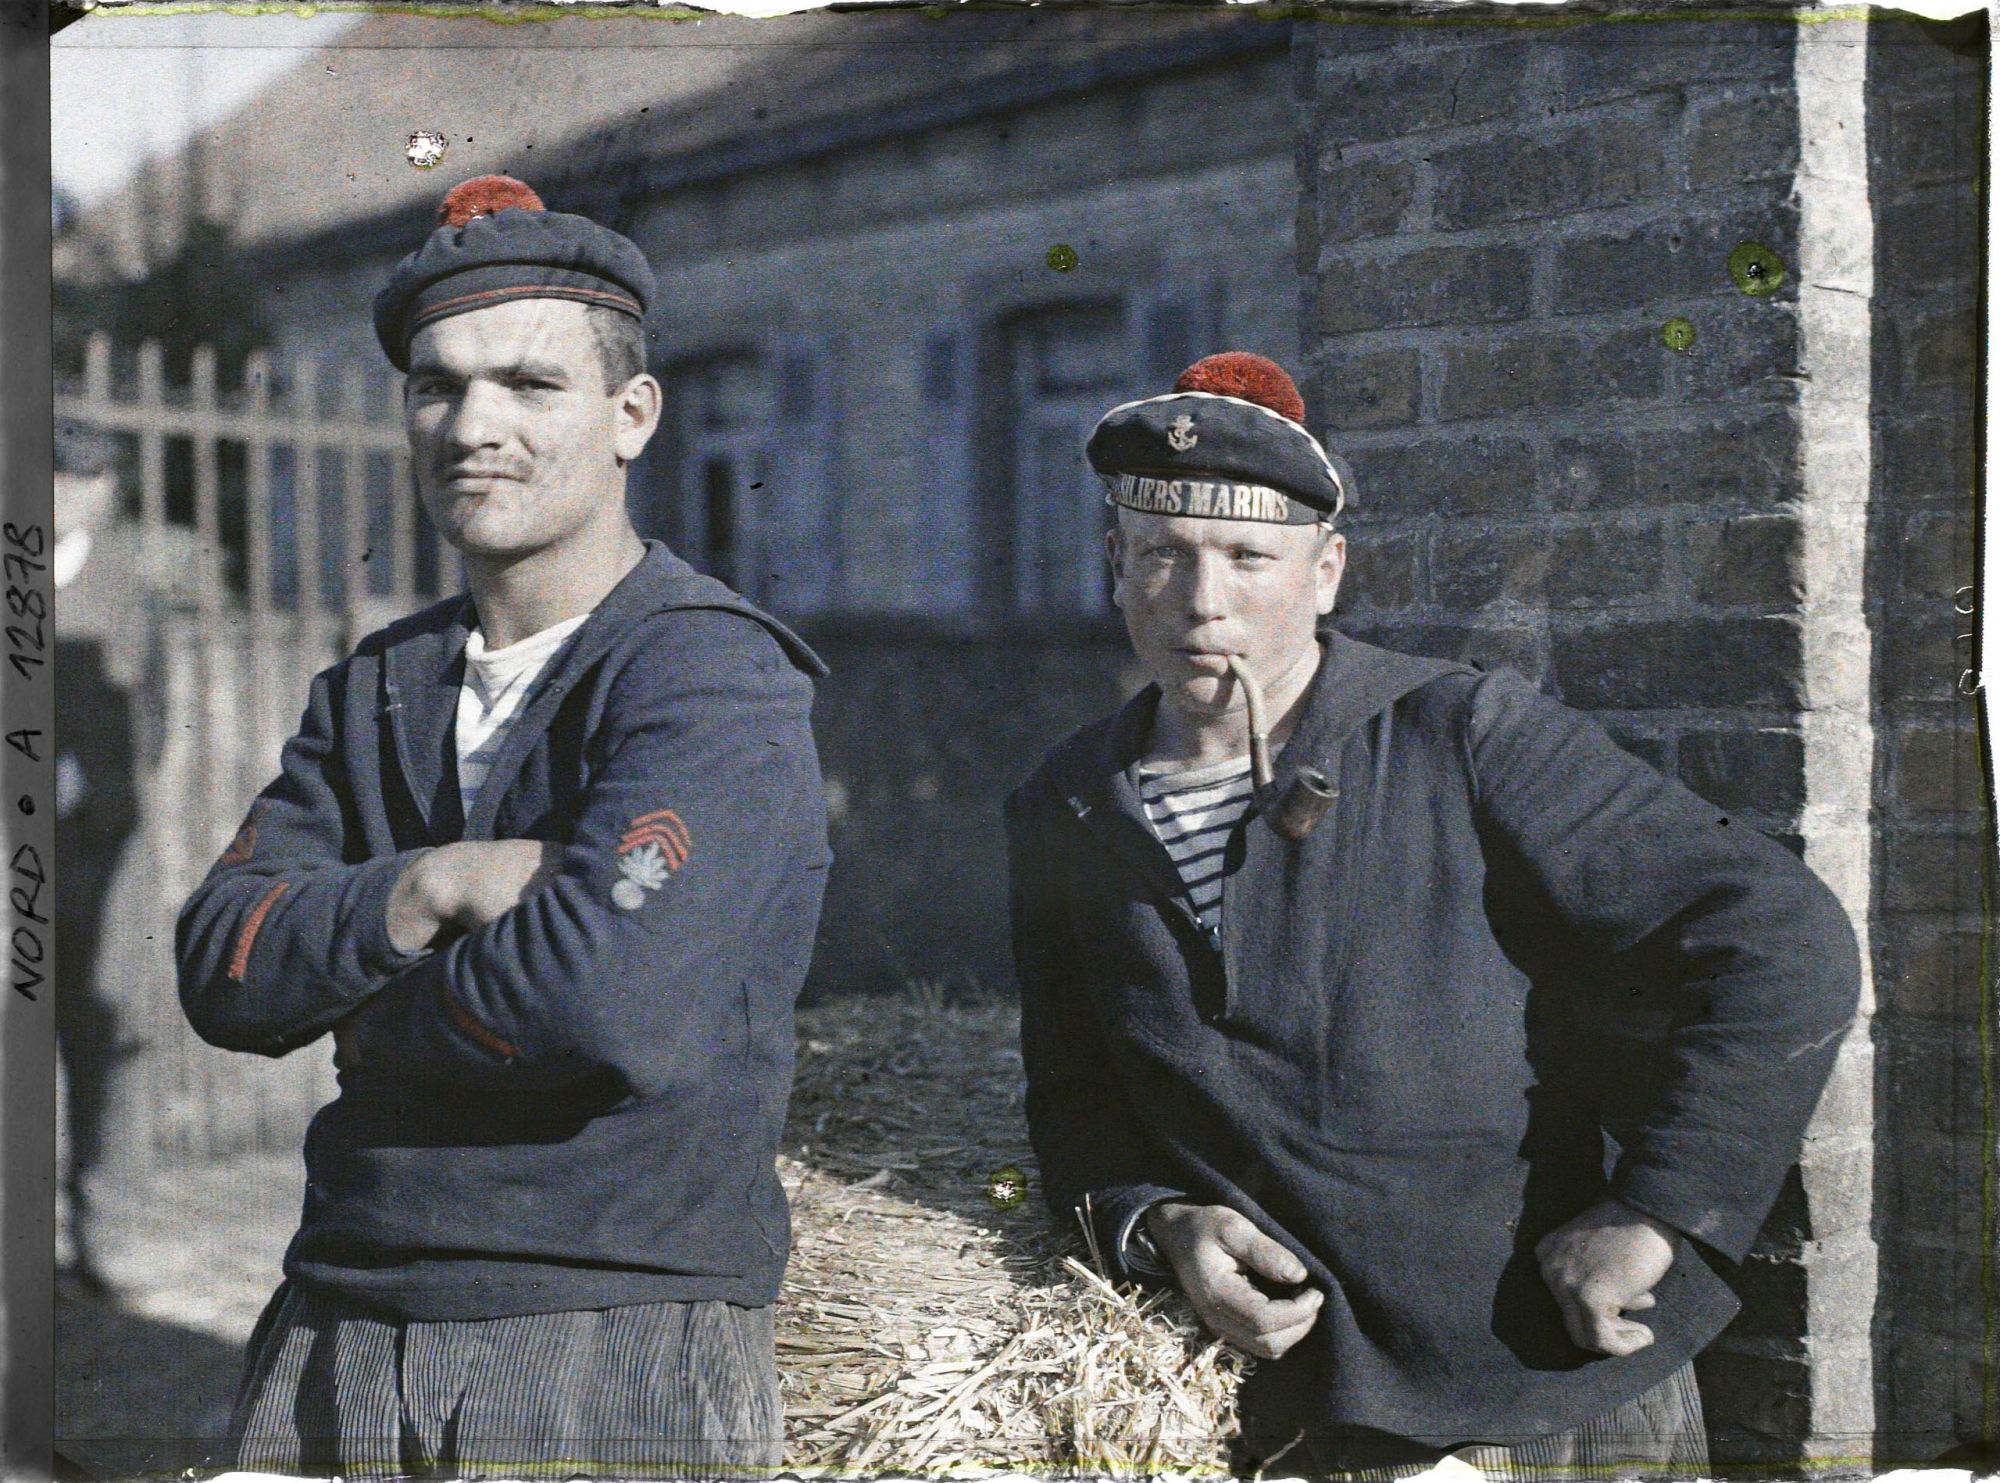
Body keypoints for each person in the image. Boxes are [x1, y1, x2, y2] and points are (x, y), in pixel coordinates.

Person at [1005, 351, 1861, 1479]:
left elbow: (1776, 933)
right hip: (1295, 1411)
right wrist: (1161, 1223)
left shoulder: (1456, 733)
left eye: (1247, 557)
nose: (1201, 601)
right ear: (1115, 565)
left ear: (1324, 574)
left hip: (1540, 1384)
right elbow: (1075, 1096)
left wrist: (1657, 1207)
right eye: (1162, 554)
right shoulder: (1064, 804)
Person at [177, 175, 830, 1480]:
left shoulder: (707, 674)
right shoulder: (378, 684)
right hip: (337, 1310)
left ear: (632, 415)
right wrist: (430, 888)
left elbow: (603, 1005)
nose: (471, 424)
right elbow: (218, 966)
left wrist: (358, 1008)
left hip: (605, 1321)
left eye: (531, 385)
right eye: (436, 384)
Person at [53, 421, 157, 1295]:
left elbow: (150, 717)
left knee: (108, 1039)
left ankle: (106, 1234)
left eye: (91, 481)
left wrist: (108, 799)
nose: (77, 494)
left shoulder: (128, 585)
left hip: (100, 853)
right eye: (61, 477)